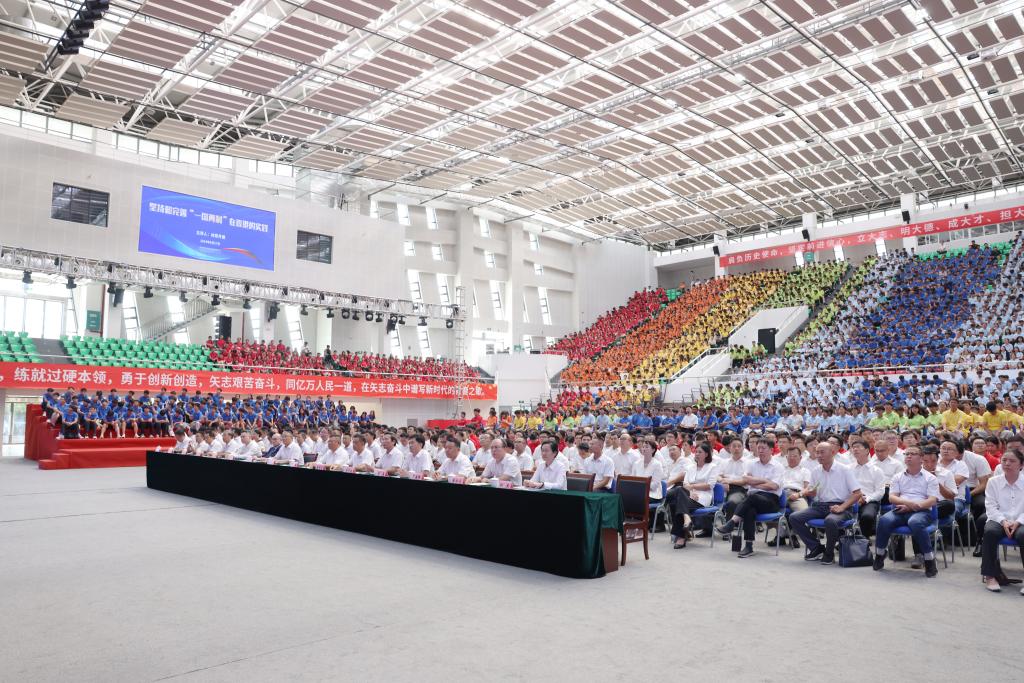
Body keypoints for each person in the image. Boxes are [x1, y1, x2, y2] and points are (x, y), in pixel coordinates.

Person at [789, 442, 862, 565]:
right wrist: (809, 492)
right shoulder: (816, 471)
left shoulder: (844, 470)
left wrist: (842, 507)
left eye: (822, 452)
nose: (818, 455)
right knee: (794, 517)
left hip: (842, 506)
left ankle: (829, 553)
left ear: (832, 452)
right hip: (821, 505)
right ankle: (816, 548)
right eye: (817, 452)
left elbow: (857, 493)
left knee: (830, 520)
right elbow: (813, 492)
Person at [872, 447, 940, 577]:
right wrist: (909, 504)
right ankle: (880, 554)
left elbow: (932, 500)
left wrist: (911, 507)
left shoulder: (930, 478)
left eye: (913, 454)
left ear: (921, 458)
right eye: (907, 454)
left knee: (915, 522)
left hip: (922, 511)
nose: (909, 456)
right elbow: (892, 497)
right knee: (884, 520)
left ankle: (929, 559)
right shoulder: (898, 476)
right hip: (900, 510)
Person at [715, 438, 783, 558]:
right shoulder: (752, 463)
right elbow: (746, 480)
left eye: (763, 448)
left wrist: (755, 482)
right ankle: (748, 546)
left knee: (751, 498)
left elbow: (774, 486)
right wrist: (765, 481)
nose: (760, 450)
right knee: (749, 510)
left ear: (771, 450)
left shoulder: (778, 466)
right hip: (753, 498)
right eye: (759, 448)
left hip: (770, 500)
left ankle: (732, 522)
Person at [979, 449, 1024, 592]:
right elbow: (990, 506)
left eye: (1012, 461)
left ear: (1021, 465)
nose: (1007, 463)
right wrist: (1003, 521)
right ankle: (990, 576)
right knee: (990, 532)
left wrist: (1018, 521)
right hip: (998, 518)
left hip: (1021, 520)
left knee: (1023, 534)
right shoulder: (993, 481)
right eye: (1004, 460)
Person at [666, 442, 715, 548]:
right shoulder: (690, 467)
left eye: (700, 452)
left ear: (706, 454)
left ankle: (681, 536)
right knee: (679, 490)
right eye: (696, 452)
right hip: (688, 495)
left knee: (677, 499)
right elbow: (685, 484)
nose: (697, 454)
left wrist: (692, 487)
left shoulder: (712, 467)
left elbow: (709, 485)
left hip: (702, 497)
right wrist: (690, 492)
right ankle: (686, 518)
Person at [850, 440, 886, 538]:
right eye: (853, 447)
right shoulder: (848, 469)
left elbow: (880, 491)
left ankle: (864, 539)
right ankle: (845, 539)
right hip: (850, 499)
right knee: (838, 514)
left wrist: (866, 499)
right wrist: (854, 498)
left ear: (867, 450)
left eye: (858, 447)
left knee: (867, 516)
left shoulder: (877, 470)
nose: (855, 449)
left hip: (869, 500)